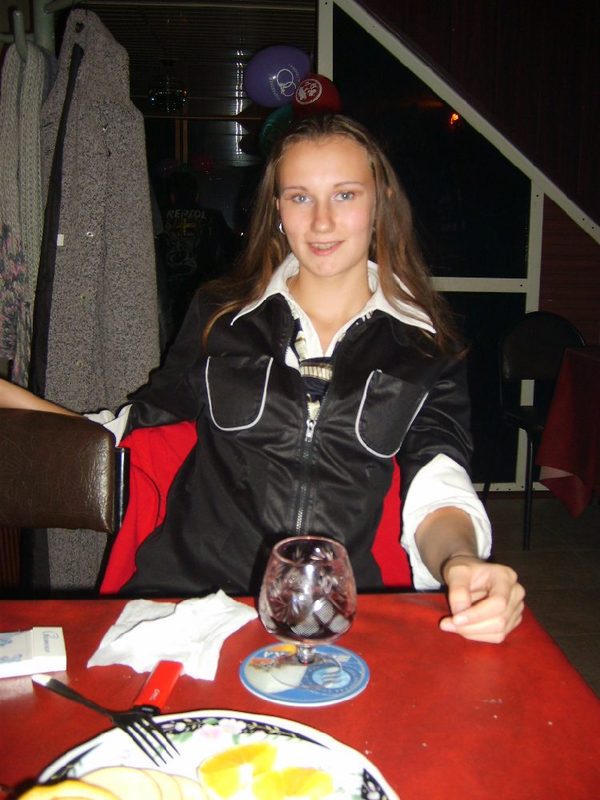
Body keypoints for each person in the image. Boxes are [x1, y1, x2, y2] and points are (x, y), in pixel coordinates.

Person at [0, 113, 524, 643]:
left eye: (344, 195)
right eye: (300, 197)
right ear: (277, 209)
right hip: (193, 603)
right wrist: (9, 396)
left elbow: (438, 483)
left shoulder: (425, 345)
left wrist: (460, 560)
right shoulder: (219, 316)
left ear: (380, 203)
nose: (321, 222)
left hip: (337, 613)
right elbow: (140, 424)